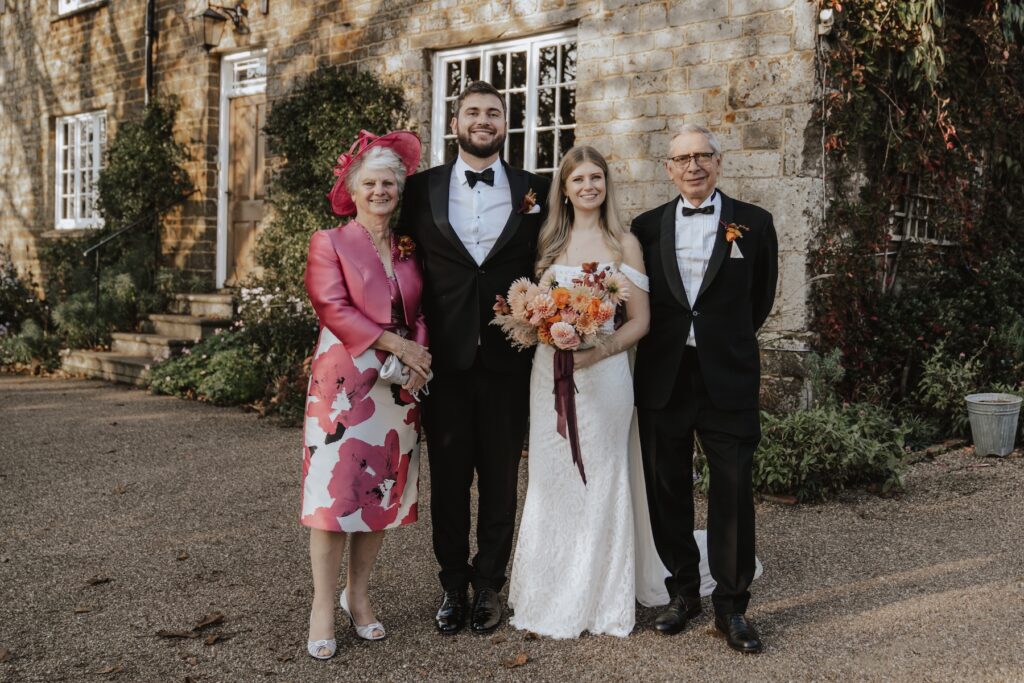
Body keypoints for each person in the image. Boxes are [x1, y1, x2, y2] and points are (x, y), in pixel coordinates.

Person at [397, 81, 550, 635]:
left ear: (504, 124)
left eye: (494, 113)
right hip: (445, 359)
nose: (483, 120)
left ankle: (490, 585)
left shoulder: (536, 189)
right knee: (450, 478)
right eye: (473, 112)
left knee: (502, 478)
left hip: (510, 358)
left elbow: (551, 259)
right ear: (455, 122)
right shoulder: (420, 191)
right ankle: (452, 586)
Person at [632, 124, 778, 654]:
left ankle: (732, 608)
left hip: (727, 376)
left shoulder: (755, 224)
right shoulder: (645, 228)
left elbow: (759, 299)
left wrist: (722, 341)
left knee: (733, 492)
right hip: (664, 377)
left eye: (703, 156)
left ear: (719, 163)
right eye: (682, 159)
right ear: (668, 169)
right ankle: (683, 592)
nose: (693, 166)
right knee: (666, 487)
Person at [506, 146, 654, 638]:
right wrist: (537, 325)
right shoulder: (551, 245)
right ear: (564, 190)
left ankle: (602, 596)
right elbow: (531, 314)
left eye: (596, 177)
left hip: (605, 379)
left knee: (601, 476)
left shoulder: (624, 244)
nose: (588, 185)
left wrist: (597, 351)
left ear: (605, 185)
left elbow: (641, 322)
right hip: (549, 378)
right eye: (578, 179)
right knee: (553, 480)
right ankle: (549, 591)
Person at [300, 130, 431, 660]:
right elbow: (332, 306)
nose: (381, 191)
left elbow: (423, 311)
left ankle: (359, 595)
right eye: (370, 183)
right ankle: (322, 606)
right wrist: (397, 343)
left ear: (399, 191)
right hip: (344, 382)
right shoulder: (328, 242)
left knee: (379, 492)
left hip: (400, 386)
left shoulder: (408, 248)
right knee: (334, 498)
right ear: (352, 190)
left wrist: (417, 358)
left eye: (389, 183)